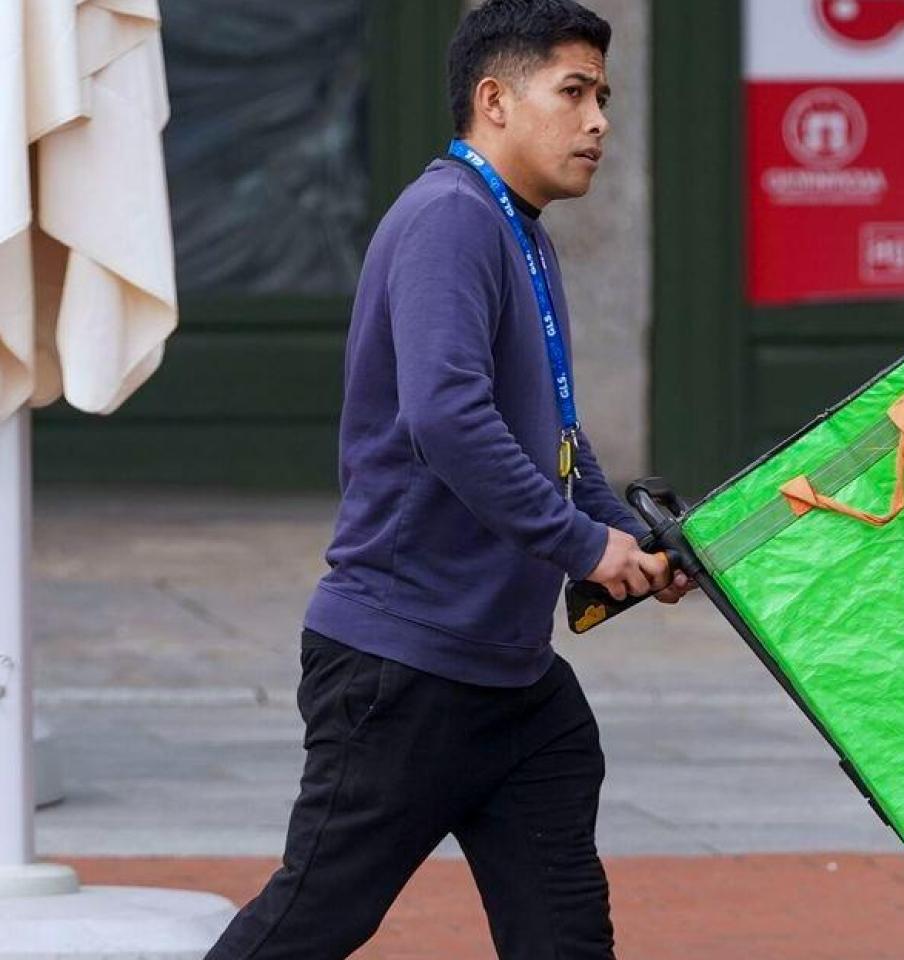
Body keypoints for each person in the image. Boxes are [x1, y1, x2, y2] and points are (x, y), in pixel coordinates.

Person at [203, 2, 691, 957]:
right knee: (305, 928)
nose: (599, 121)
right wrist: (582, 545)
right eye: (574, 92)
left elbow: (555, 435)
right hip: (403, 672)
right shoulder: (450, 220)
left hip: (513, 682)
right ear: (494, 100)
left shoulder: (521, 232)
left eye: (604, 97)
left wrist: (628, 539)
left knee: (565, 938)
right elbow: (448, 421)